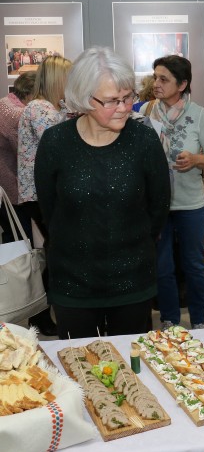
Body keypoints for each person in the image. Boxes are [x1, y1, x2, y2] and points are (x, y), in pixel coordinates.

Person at [34, 46, 170, 339]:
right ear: (84, 98)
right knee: (79, 372)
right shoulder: (55, 142)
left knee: (134, 374)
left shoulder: (144, 141)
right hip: (73, 285)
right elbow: (48, 209)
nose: (124, 107)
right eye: (111, 101)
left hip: (133, 282)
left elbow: (158, 208)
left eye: (128, 97)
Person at [140, 55, 204, 330]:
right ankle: (169, 320)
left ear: (183, 83)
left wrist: (197, 160)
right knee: (162, 269)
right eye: (155, 77)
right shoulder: (146, 112)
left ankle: (199, 321)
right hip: (157, 206)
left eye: (164, 79)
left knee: (194, 267)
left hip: (190, 205)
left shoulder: (198, 114)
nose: (156, 83)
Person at [18, 55, 72, 336]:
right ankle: (43, 315)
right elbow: (59, 144)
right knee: (53, 254)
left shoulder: (49, 107)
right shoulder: (40, 108)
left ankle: (44, 314)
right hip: (40, 195)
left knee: (51, 253)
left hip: (41, 194)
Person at [0, 71, 36, 244]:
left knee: (13, 236)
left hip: (5, 185)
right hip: (11, 188)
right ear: (31, 94)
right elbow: (26, 155)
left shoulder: (5, 104)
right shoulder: (17, 115)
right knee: (21, 239)